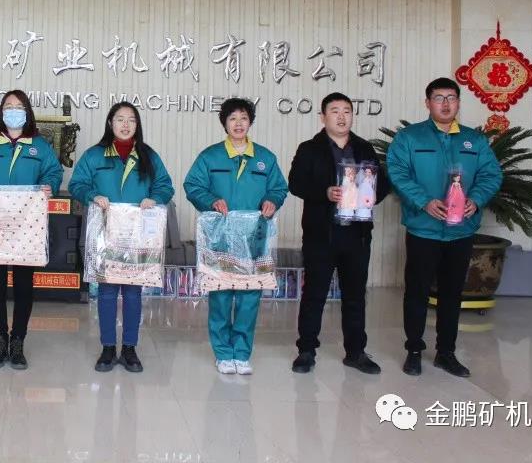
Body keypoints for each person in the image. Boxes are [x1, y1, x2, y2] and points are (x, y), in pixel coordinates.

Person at [387, 77, 502, 378]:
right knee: (417, 292)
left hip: (460, 231)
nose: (446, 104)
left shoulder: (474, 140)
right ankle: (414, 350)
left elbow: (491, 174)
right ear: (428, 103)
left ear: (458, 103)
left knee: (452, 294)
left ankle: (446, 353)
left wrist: (476, 200)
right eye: (439, 98)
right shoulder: (410, 138)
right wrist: (423, 201)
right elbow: (397, 173)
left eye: (451, 98)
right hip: (423, 229)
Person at [287, 93, 390, 375]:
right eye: (335, 111)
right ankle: (306, 351)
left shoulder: (364, 148)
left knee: (355, 295)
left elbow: (383, 185)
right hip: (322, 234)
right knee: (315, 294)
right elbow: (295, 183)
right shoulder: (309, 148)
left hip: (357, 234)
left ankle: (355, 352)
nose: (342, 116)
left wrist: (369, 195)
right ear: (323, 117)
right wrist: (325, 192)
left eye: (347, 111)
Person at [184, 97, 287, 375]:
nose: (238, 123)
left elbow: (279, 188)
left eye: (243, 118)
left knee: (249, 295)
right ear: (224, 123)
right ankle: (222, 353)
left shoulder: (265, 158)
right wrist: (210, 200)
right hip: (220, 237)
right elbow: (192, 185)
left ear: (250, 122)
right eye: (232, 118)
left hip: (255, 237)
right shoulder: (210, 156)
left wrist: (272, 200)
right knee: (221, 293)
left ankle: (241, 353)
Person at [69, 103, 174, 373]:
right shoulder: (95, 155)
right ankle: (107, 348)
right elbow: (77, 184)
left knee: (132, 291)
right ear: (110, 123)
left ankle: (129, 348)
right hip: (106, 232)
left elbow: (165, 185)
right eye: (120, 119)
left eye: (131, 120)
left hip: (138, 234)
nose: (125, 125)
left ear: (137, 125)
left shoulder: (148, 156)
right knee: (106, 291)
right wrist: (93, 195)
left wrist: (155, 198)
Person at [0, 89, 63, 370]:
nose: (13, 111)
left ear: (27, 112)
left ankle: (18, 340)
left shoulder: (39, 146)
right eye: (8, 106)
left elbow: (53, 172)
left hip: (26, 226)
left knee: (23, 284)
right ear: (1, 112)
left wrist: (50, 186)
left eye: (19, 106)